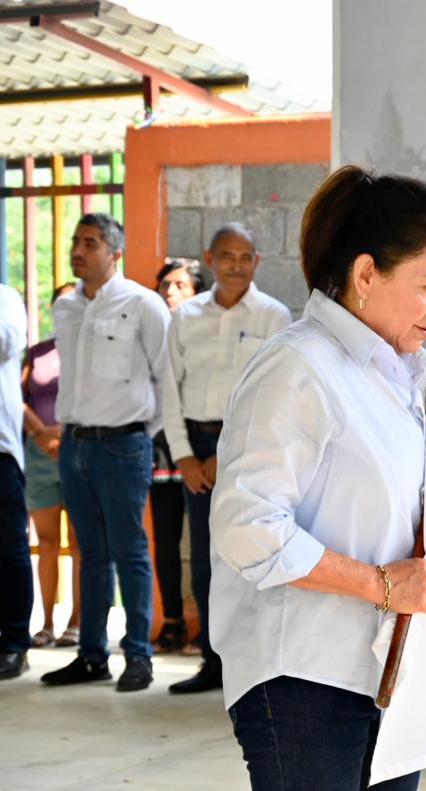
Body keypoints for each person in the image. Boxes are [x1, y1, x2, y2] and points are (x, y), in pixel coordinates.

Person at [209, 166, 426, 791]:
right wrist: (376, 583)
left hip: (390, 674)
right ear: (366, 274)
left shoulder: (400, 369)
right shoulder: (298, 367)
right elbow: (248, 528)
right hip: (306, 678)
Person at [41, 213, 170, 692]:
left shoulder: (142, 304)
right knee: (90, 554)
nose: (78, 250)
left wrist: (140, 432)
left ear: (113, 253)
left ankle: (138, 655)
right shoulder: (67, 307)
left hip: (122, 445)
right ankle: (91, 655)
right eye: (76, 242)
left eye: (89, 243)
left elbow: (165, 377)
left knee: (129, 551)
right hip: (74, 444)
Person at [162, 227, 291, 695]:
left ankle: (254, 665)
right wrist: (185, 457)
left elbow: (271, 392)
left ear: (258, 261)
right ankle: (213, 661)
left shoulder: (274, 316)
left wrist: (226, 453)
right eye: (226, 256)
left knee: (251, 552)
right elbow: (168, 391)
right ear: (208, 259)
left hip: (249, 449)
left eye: (245, 257)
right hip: (195, 451)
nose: (236, 265)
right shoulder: (185, 317)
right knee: (205, 558)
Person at [22, 283, 81, 650]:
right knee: (44, 544)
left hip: (76, 452)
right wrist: (42, 432)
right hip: (40, 454)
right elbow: (18, 395)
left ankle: (76, 623)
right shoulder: (37, 353)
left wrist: (63, 432)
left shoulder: (91, 353)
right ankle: (44, 622)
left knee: (79, 545)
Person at [151, 259, 202, 655]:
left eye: (181, 285)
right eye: (166, 285)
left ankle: (204, 628)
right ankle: (171, 621)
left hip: (199, 445)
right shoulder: (154, 327)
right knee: (166, 538)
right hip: (160, 445)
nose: (171, 292)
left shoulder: (199, 330)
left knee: (201, 542)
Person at [0, 276, 33, 680]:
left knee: (9, 549)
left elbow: (5, 344)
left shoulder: (6, 299)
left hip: (1, 450)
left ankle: (13, 643)